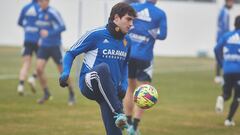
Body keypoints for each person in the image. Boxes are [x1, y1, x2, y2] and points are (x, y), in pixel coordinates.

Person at [59, 2, 136, 135]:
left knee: (115, 132)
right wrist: (65, 72)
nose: (131, 24)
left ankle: (119, 116)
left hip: (110, 93)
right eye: (128, 19)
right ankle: (120, 113)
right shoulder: (96, 34)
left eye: (132, 21)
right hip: (89, 83)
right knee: (102, 69)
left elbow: (125, 66)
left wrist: (123, 85)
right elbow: (70, 53)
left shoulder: (127, 41)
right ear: (116, 18)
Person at [123, 0, 167, 134]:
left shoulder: (133, 8)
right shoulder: (160, 13)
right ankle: (134, 127)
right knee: (144, 91)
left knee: (130, 89)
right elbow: (163, 35)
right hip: (145, 57)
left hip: (128, 54)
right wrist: (152, 34)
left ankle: (128, 122)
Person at [36, 0, 75, 105]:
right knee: (39, 69)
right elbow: (41, 29)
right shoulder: (39, 12)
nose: (40, 3)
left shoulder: (53, 12)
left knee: (63, 72)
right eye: (39, 1)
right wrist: (40, 38)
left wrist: (49, 33)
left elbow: (63, 26)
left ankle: (71, 93)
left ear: (48, 1)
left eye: (42, 1)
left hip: (55, 46)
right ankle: (46, 93)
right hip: (44, 46)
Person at [215, 15, 240, 126]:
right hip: (239, 71)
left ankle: (221, 98)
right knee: (237, 97)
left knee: (227, 94)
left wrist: (222, 63)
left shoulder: (227, 35)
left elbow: (216, 49)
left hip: (227, 69)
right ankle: (229, 120)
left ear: (234, 24)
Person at [17, 0, 39, 96]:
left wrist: (27, 27)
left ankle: (20, 85)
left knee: (26, 63)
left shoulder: (25, 8)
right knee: (41, 63)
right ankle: (33, 78)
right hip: (38, 40)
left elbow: (20, 22)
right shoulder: (40, 8)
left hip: (27, 39)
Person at [214, 0, 234, 84]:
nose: (232, 4)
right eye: (231, 2)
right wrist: (228, 36)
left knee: (220, 55)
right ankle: (219, 76)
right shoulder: (225, 12)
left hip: (220, 36)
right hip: (223, 37)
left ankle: (218, 76)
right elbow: (224, 26)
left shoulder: (222, 11)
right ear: (228, 2)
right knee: (222, 56)